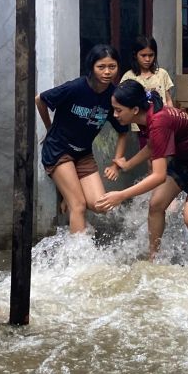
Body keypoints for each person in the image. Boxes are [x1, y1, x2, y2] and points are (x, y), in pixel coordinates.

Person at [96, 80, 188, 260]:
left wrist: (121, 195)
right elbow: (152, 145)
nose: (115, 114)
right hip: (185, 157)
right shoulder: (147, 115)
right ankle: (154, 258)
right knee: (156, 204)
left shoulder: (158, 122)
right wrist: (128, 164)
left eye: (118, 110)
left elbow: (158, 176)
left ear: (134, 109)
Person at [35, 45, 128, 234]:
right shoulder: (76, 87)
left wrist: (117, 162)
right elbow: (40, 99)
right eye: (101, 67)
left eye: (112, 66)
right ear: (91, 67)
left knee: (101, 205)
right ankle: (78, 260)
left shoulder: (113, 96)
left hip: (83, 154)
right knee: (78, 205)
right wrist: (49, 127)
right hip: (59, 150)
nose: (107, 72)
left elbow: (123, 131)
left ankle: (68, 195)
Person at [120, 35, 175, 107]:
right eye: (143, 55)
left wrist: (171, 115)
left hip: (161, 116)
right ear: (135, 55)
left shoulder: (162, 74)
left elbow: (168, 100)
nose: (147, 59)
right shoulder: (128, 77)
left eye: (151, 55)